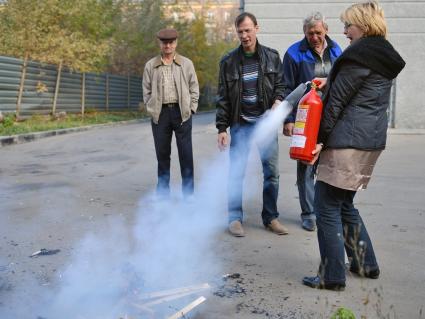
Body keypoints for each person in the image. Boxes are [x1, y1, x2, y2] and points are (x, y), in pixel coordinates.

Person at [302, 1, 405, 290]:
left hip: (346, 141)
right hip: (368, 141)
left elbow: (337, 103)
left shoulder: (359, 54)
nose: (345, 31)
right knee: (343, 203)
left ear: (363, 25)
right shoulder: (381, 54)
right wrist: (330, 79)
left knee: (325, 205)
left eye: (349, 25)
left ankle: (331, 276)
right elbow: (358, 90)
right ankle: (365, 263)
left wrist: (320, 139)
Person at [216, 12, 288, 237]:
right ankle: (235, 218)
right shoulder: (227, 62)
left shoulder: (272, 57)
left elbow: (281, 86)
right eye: (240, 32)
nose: (244, 35)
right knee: (237, 172)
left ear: (257, 28)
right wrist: (222, 129)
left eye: (248, 30)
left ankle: (271, 217)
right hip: (240, 125)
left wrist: (278, 100)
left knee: (272, 173)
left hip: (265, 126)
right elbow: (223, 98)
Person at [282, 12, 342, 232]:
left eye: (318, 32)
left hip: (330, 117)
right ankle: (308, 213)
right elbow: (287, 88)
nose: (314, 37)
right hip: (305, 117)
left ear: (325, 29)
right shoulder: (294, 53)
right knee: (306, 164)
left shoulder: (337, 51)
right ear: (304, 33)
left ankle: (327, 210)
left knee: (329, 165)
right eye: (310, 33)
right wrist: (288, 119)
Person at [142, 28, 199, 199]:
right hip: (160, 115)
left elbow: (194, 88)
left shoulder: (186, 64)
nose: (168, 45)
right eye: (164, 42)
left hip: (182, 113)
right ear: (159, 43)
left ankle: (188, 195)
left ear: (176, 43)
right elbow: (146, 91)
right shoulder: (151, 65)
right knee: (162, 155)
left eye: (171, 42)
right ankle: (163, 195)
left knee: (186, 156)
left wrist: (191, 108)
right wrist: (151, 109)